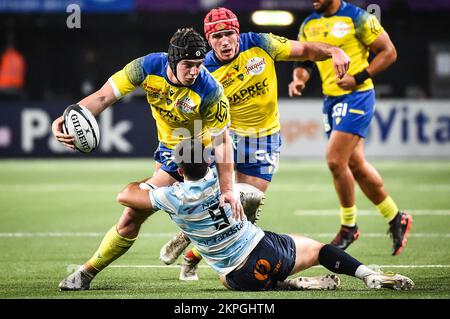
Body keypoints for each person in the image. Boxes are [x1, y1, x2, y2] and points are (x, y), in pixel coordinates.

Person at [159, 7, 352, 281]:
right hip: (228, 137)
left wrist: (334, 50)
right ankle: (186, 238)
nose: (224, 41)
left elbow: (306, 50)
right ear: (208, 39)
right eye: (217, 36)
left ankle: (191, 255)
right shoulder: (203, 70)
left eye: (229, 34)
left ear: (237, 33)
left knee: (244, 214)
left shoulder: (261, 44)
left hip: (264, 137)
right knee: (216, 199)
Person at [55, 27, 242, 291]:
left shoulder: (210, 90)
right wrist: (70, 115)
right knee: (140, 216)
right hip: (168, 152)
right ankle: (88, 273)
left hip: (197, 156)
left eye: (199, 65)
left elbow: (223, 141)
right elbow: (103, 96)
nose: (194, 71)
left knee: (139, 214)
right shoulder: (144, 68)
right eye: (188, 65)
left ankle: (88, 272)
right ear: (173, 60)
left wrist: (228, 190)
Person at [113, 139, 414, 292]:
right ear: (207, 162)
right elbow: (244, 184)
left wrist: (147, 182)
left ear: (179, 171)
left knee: (225, 276)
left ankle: (289, 286)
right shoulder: (223, 182)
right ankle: (368, 275)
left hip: (237, 278)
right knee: (321, 250)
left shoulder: (171, 196)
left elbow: (125, 195)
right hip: (265, 249)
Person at [288, 0, 412, 255]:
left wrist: (358, 78)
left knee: (335, 160)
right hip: (330, 100)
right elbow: (305, 61)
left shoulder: (358, 18)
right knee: (355, 165)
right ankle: (395, 216)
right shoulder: (308, 24)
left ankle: (348, 227)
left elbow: (388, 52)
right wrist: (298, 80)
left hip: (357, 97)